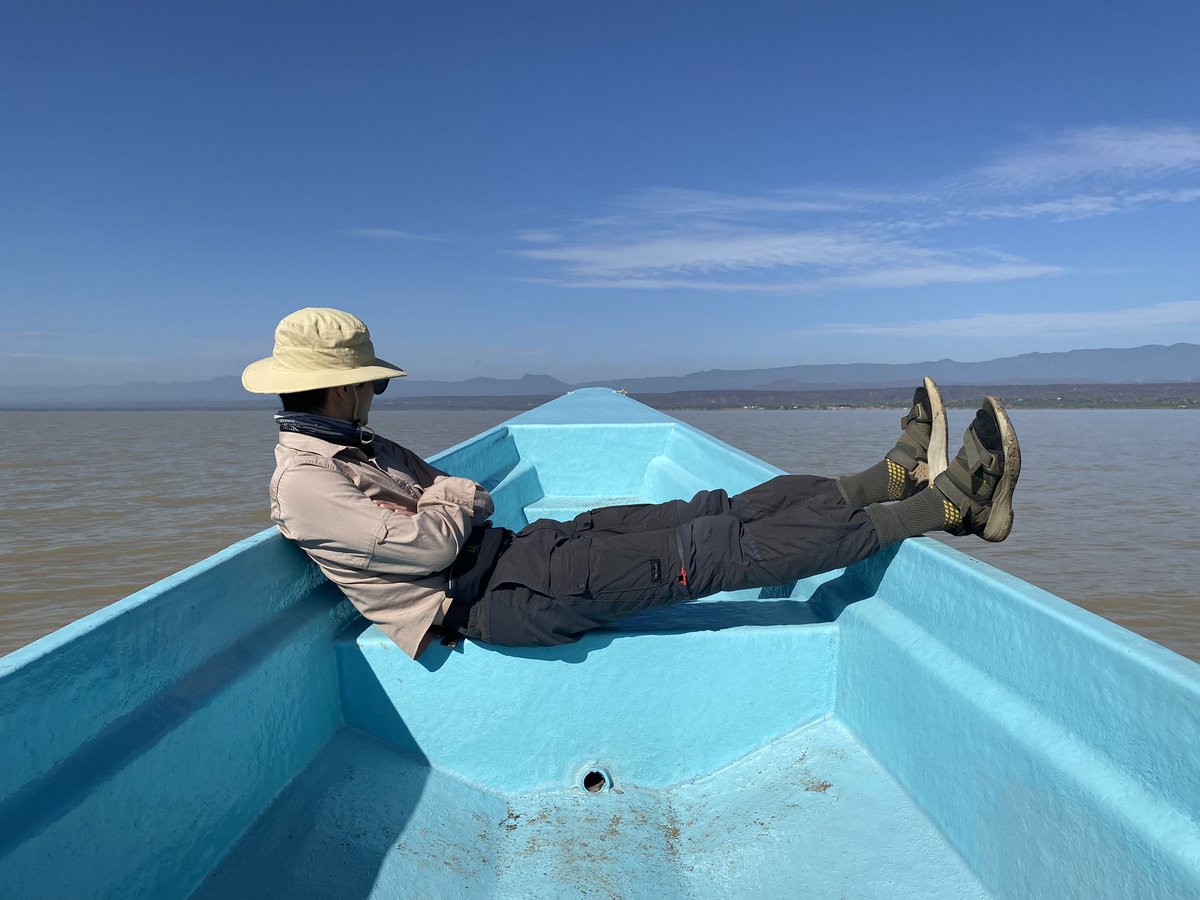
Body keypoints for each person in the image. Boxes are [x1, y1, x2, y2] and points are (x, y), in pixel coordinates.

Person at [243, 308, 1021, 659]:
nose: (377, 395)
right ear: (344, 389)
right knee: (716, 554)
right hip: (502, 603)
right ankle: (947, 506)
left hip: (519, 551)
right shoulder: (305, 485)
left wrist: (451, 500)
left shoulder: (357, 447)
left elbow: (453, 497)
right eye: (373, 385)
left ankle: (885, 478)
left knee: (710, 510)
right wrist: (451, 500)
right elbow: (429, 538)